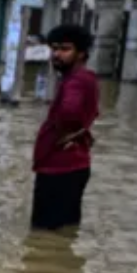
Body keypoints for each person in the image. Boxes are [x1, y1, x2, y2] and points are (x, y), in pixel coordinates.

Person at [32, 24, 99, 231]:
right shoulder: (84, 78)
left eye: (65, 49)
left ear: (81, 53)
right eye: (54, 48)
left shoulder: (76, 81)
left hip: (60, 168)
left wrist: (64, 135)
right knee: (64, 232)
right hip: (72, 166)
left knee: (44, 233)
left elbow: (69, 112)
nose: (57, 54)